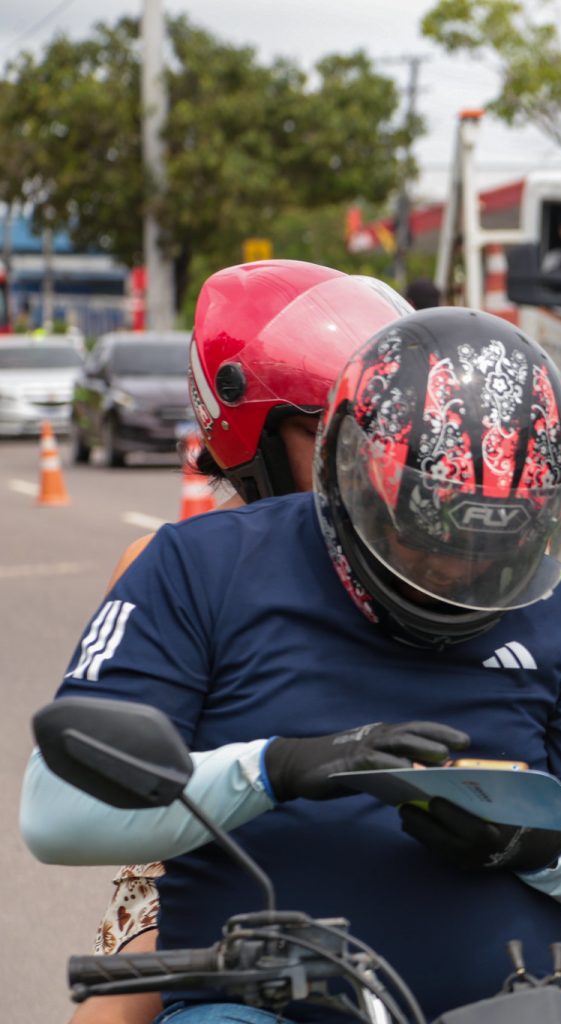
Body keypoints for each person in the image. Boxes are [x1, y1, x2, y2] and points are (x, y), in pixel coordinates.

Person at [24, 308, 561, 1022]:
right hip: (253, 1009)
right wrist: (275, 770)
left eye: (497, 548)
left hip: (498, 1009)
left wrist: (539, 845)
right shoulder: (199, 569)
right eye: (429, 536)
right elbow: (57, 813)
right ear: (352, 481)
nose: (460, 572)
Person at [78, 260, 420, 1024]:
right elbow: (107, 775)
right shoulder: (176, 569)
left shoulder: (441, 568)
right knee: (122, 996)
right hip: (217, 879)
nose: (371, 461)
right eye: (328, 431)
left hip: (416, 869)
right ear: (253, 429)